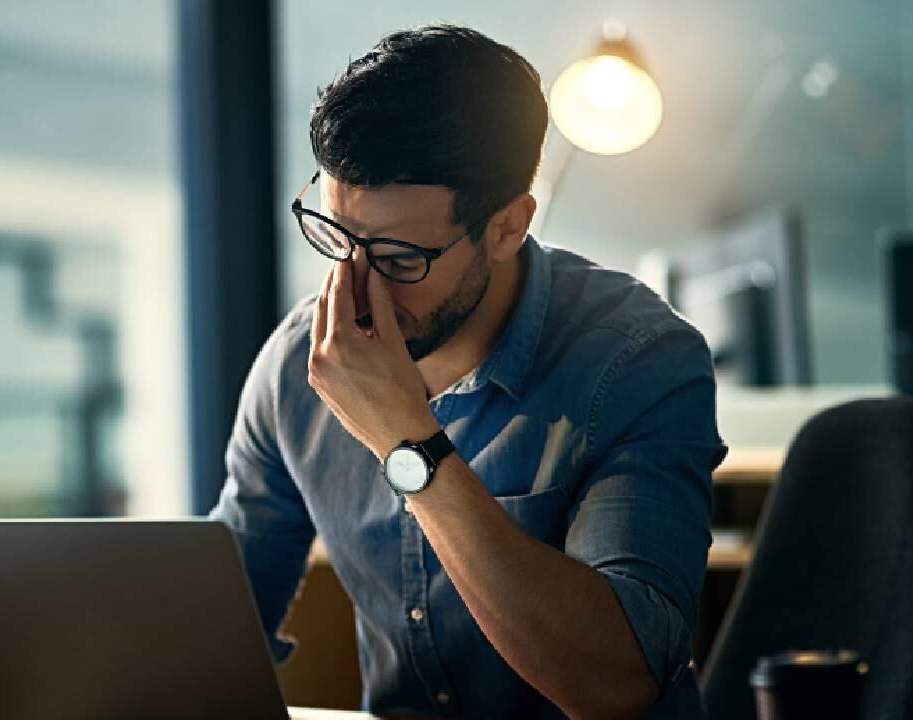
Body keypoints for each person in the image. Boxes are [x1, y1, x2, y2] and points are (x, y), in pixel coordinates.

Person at [210, 24, 726, 719]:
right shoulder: (298, 364)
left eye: (399, 258)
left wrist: (406, 443)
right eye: (335, 236)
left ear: (508, 226)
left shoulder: (638, 362)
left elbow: (618, 685)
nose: (354, 291)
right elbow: (219, 621)